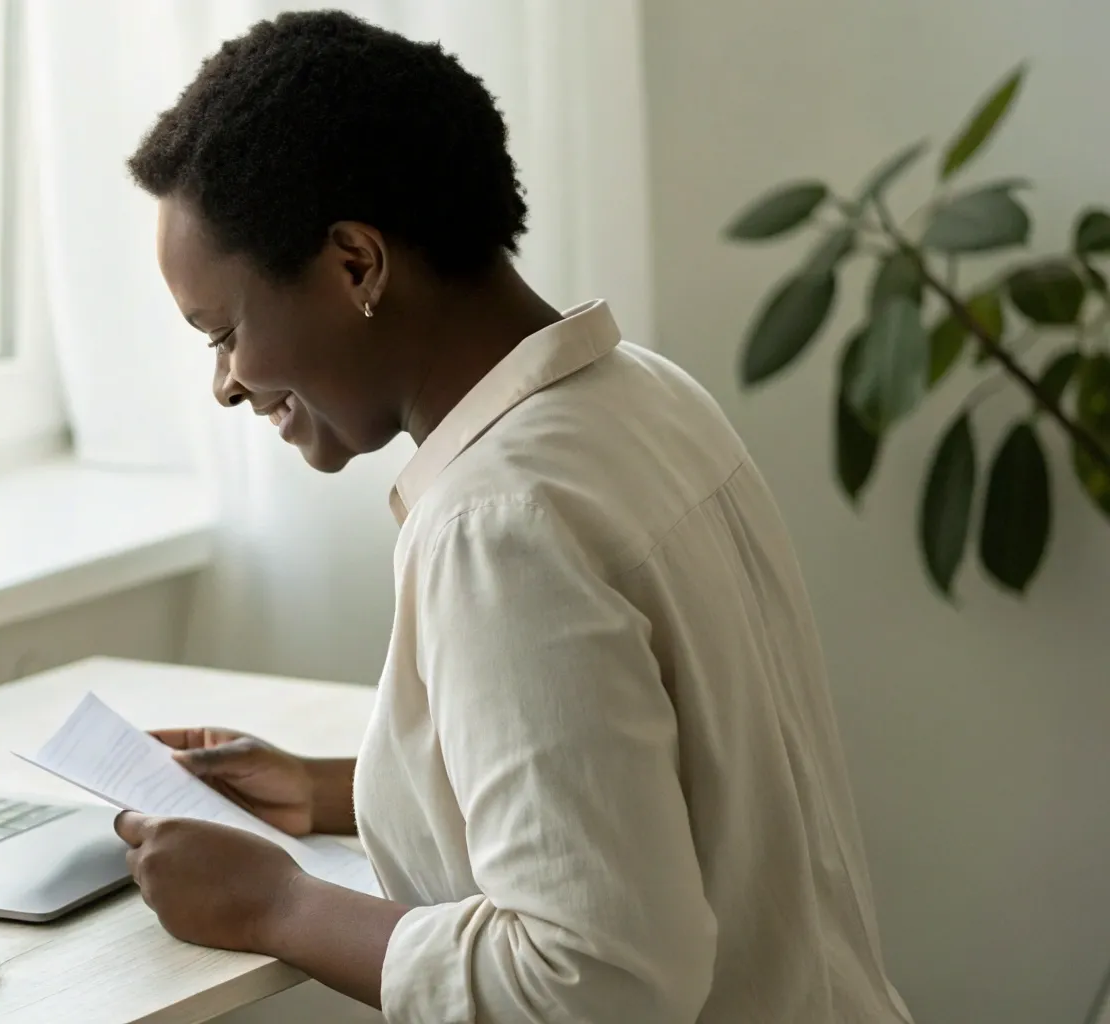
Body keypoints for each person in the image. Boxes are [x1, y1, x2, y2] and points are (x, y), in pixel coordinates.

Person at [113, 11, 914, 1023]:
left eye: (223, 332)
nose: (226, 384)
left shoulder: (497, 522)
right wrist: (326, 792)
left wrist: (277, 905)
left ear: (355, 263)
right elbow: (650, 782)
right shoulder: (641, 399)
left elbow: (593, 978)